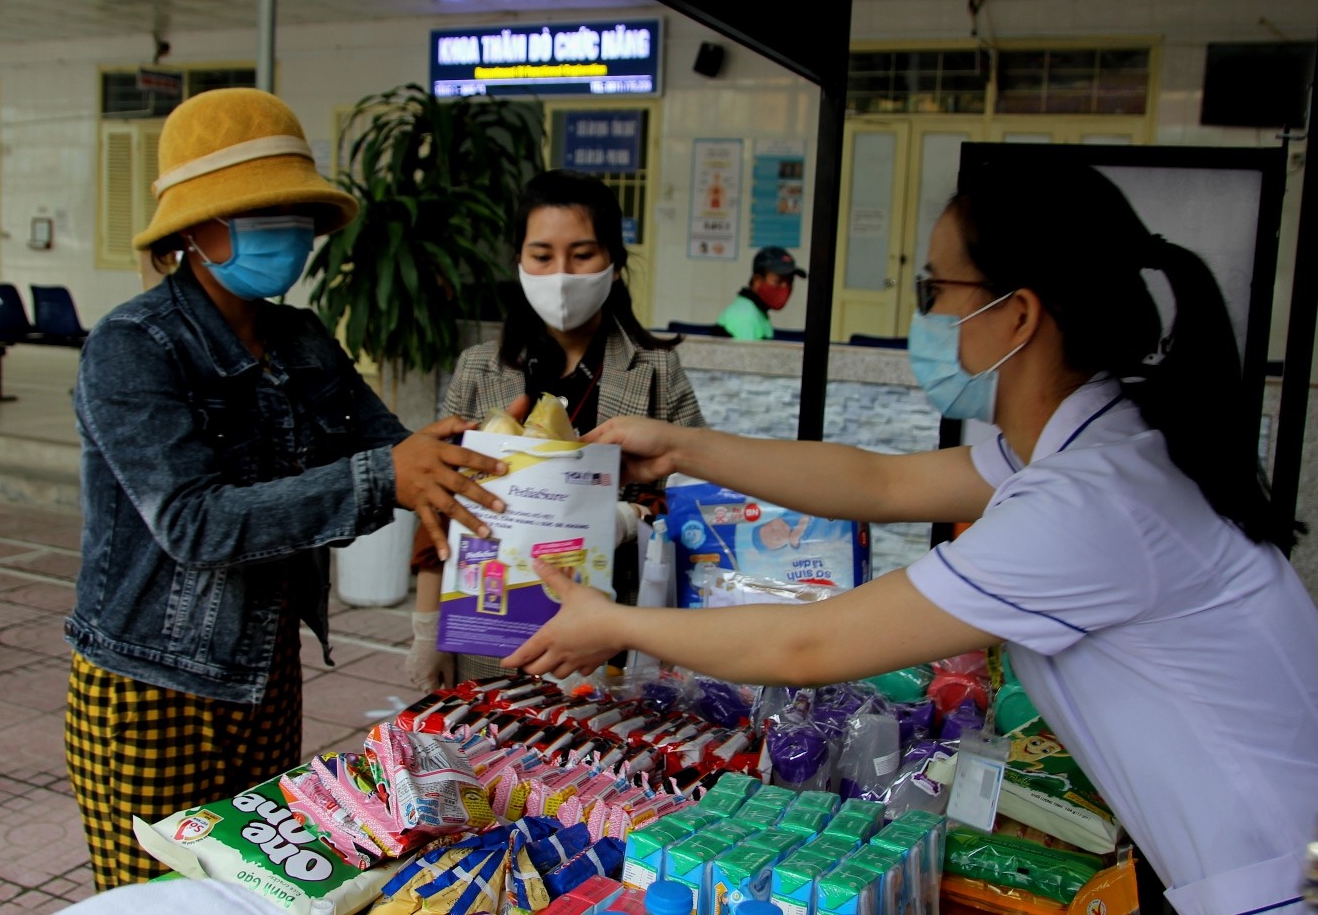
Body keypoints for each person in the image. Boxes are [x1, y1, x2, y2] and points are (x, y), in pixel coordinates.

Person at [504, 162, 1318, 912]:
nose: (923, 314)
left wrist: (613, 623)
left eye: (936, 289)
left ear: (1017, 316)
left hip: (1275, 879)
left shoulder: (1089, 505)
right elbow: (880, 483)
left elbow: (810, 646)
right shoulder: (1098, 441)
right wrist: (682, 448)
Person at [63, 88, 512, 891]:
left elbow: (392, 449)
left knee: (263, 891)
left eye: (294, 213)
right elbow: (193, 524)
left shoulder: (300, 336)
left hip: (266, 673)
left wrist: (488, 455)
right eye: (261, 212)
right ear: (193, 232)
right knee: (161, 901)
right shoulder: (132, 348)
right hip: (150, 686)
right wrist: (389, 474)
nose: (289, 233)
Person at [406, 168, 706, 691]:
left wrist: (628, 521)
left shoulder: (657, 373)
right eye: (542, 255)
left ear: (614, 263)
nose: (561, 274)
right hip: (490, 629)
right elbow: (441, 506)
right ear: (520, 262)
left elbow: (695, 502)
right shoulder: (478, 370)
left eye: (583, 254)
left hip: (610, 639)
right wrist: (426, 629)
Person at [714, 245, 806, 340]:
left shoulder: (755, 311)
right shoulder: (745, 317)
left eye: (790, 282)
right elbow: (745, 354)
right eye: (779, 281)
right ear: (757, 281)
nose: (785, 287)